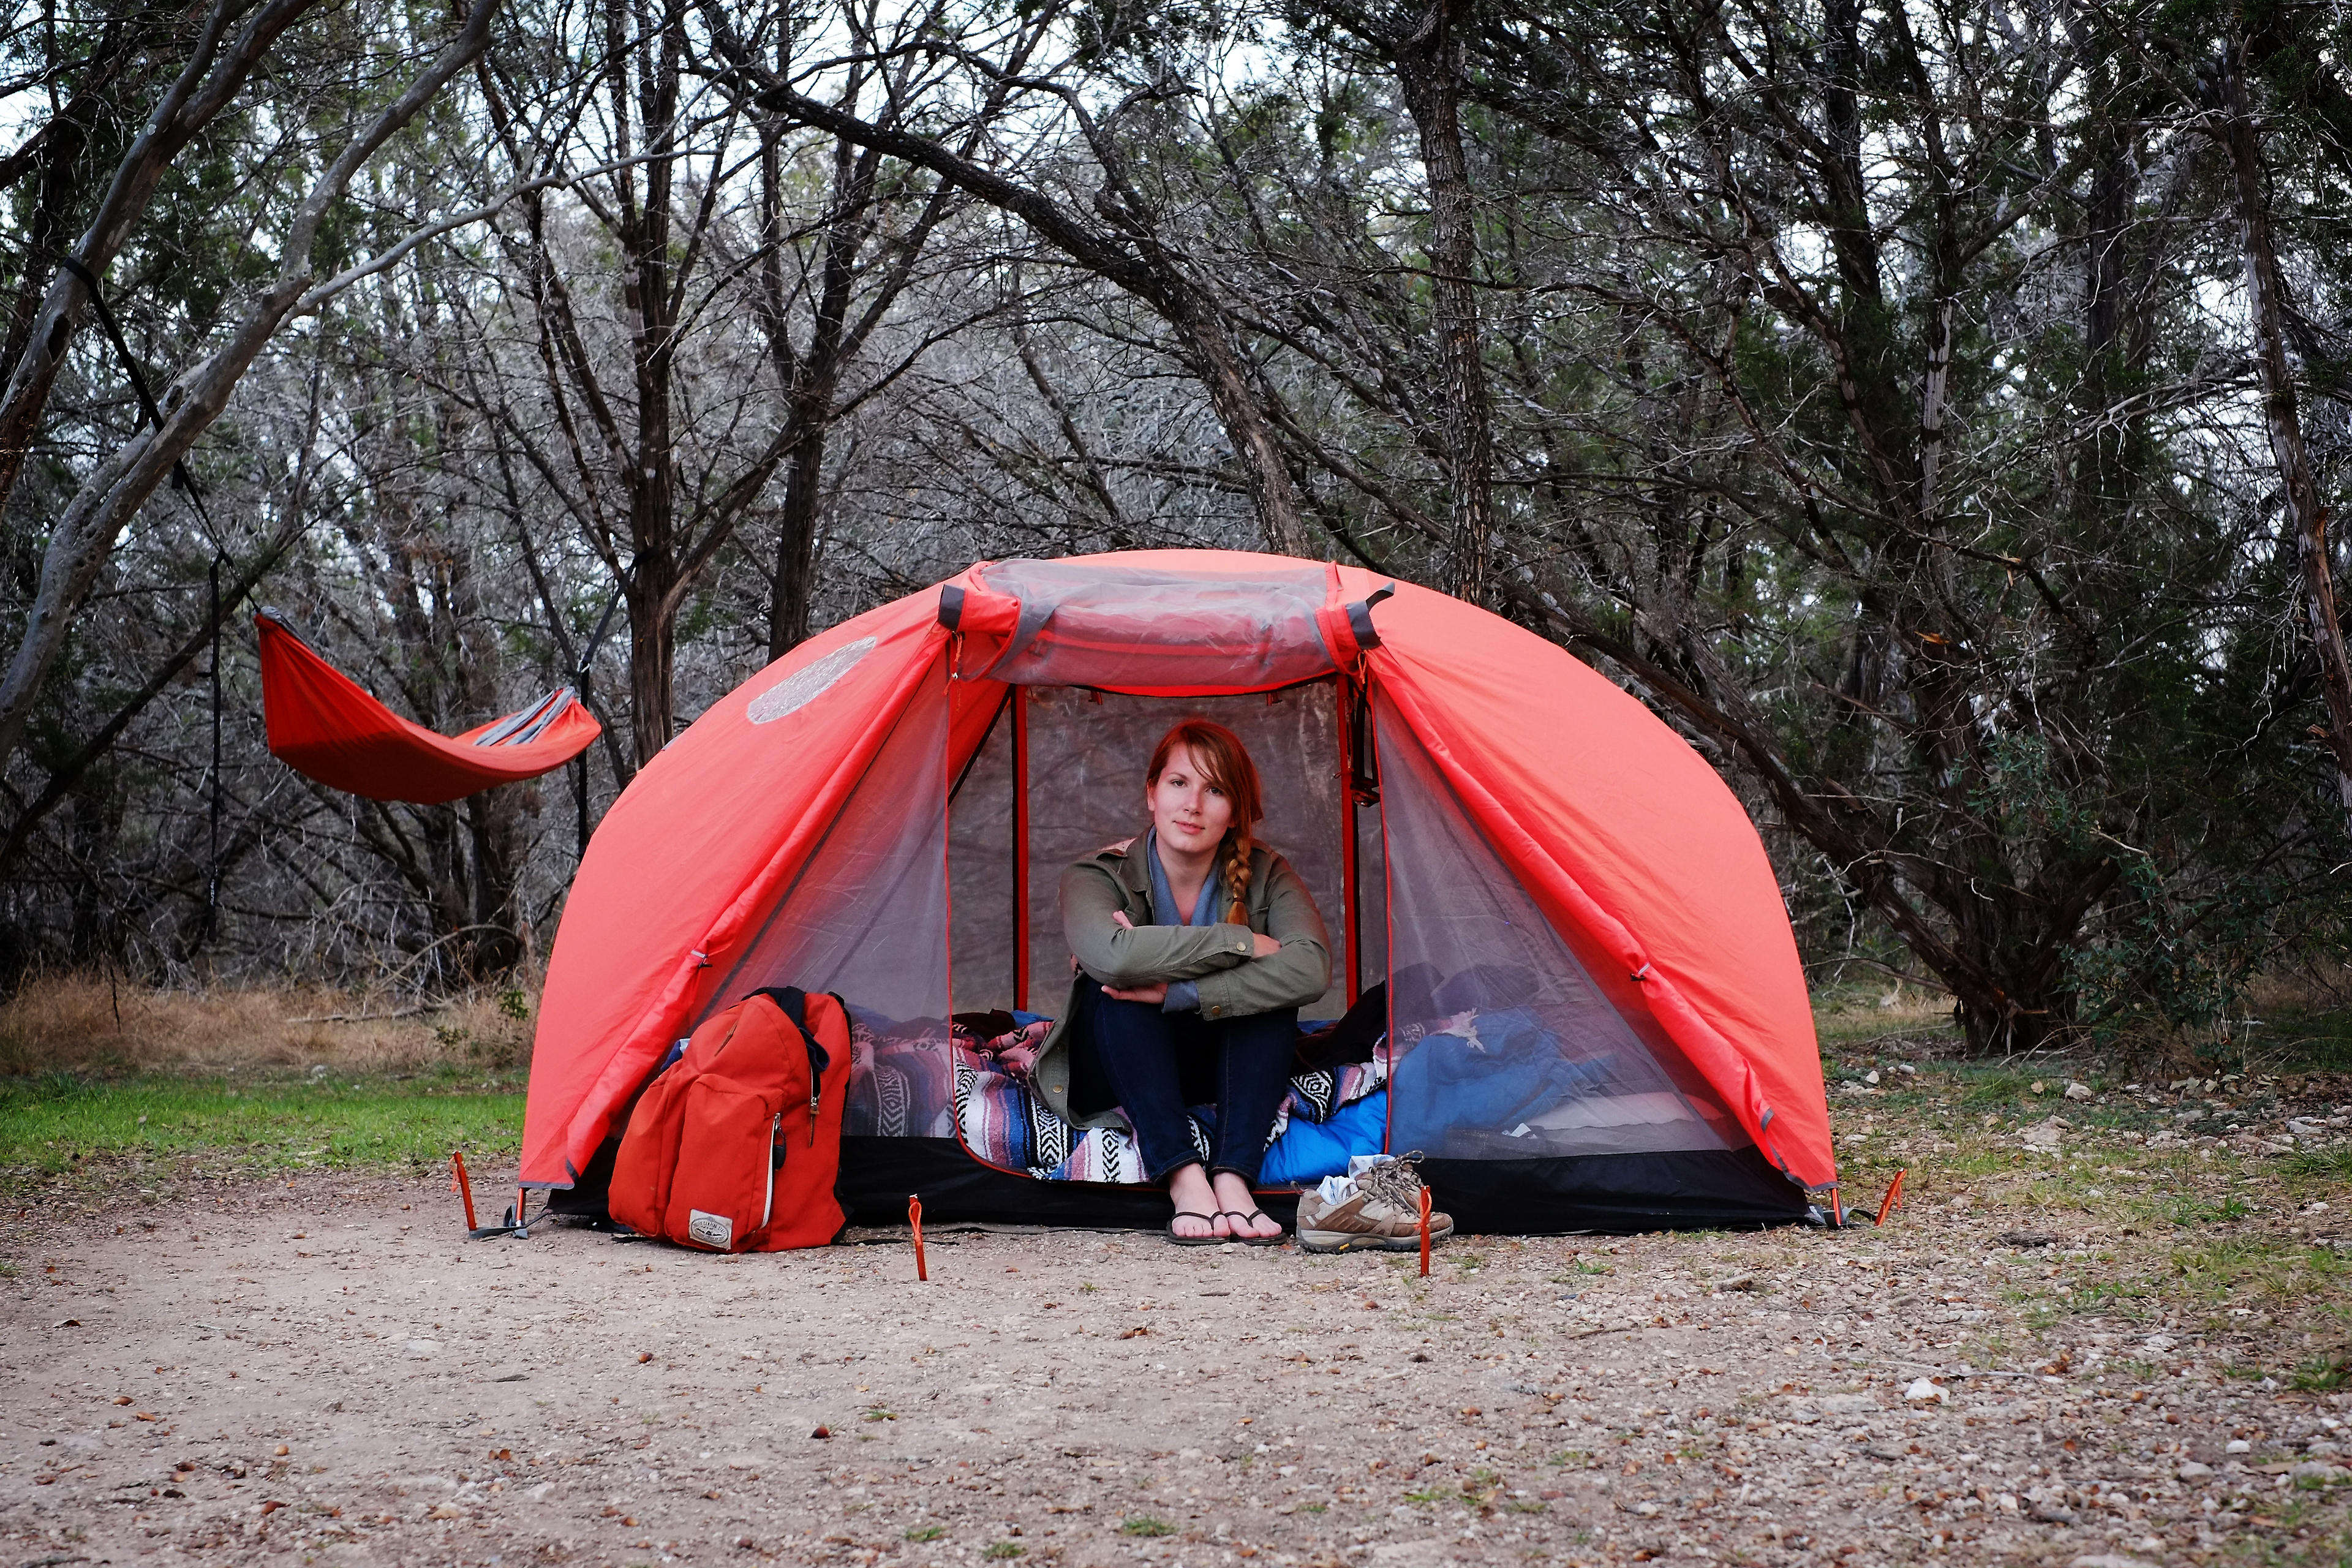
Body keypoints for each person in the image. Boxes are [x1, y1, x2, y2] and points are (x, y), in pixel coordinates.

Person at [1028, 719, 1332, 1245]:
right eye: (1178, 783)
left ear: (1234, 810)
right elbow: (1115, 962)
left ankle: (1234, 1177)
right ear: (1151, 793)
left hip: (1221, 1066)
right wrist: (1241, 946)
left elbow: (1309, 969)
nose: (1193, 804)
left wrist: (1179, 990)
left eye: (1215, 790)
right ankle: (1184, 1176)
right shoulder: (1097, 875)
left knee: (1271, 1002)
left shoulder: (1267, 872)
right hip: (1120, 1063)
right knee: (1117, 994)